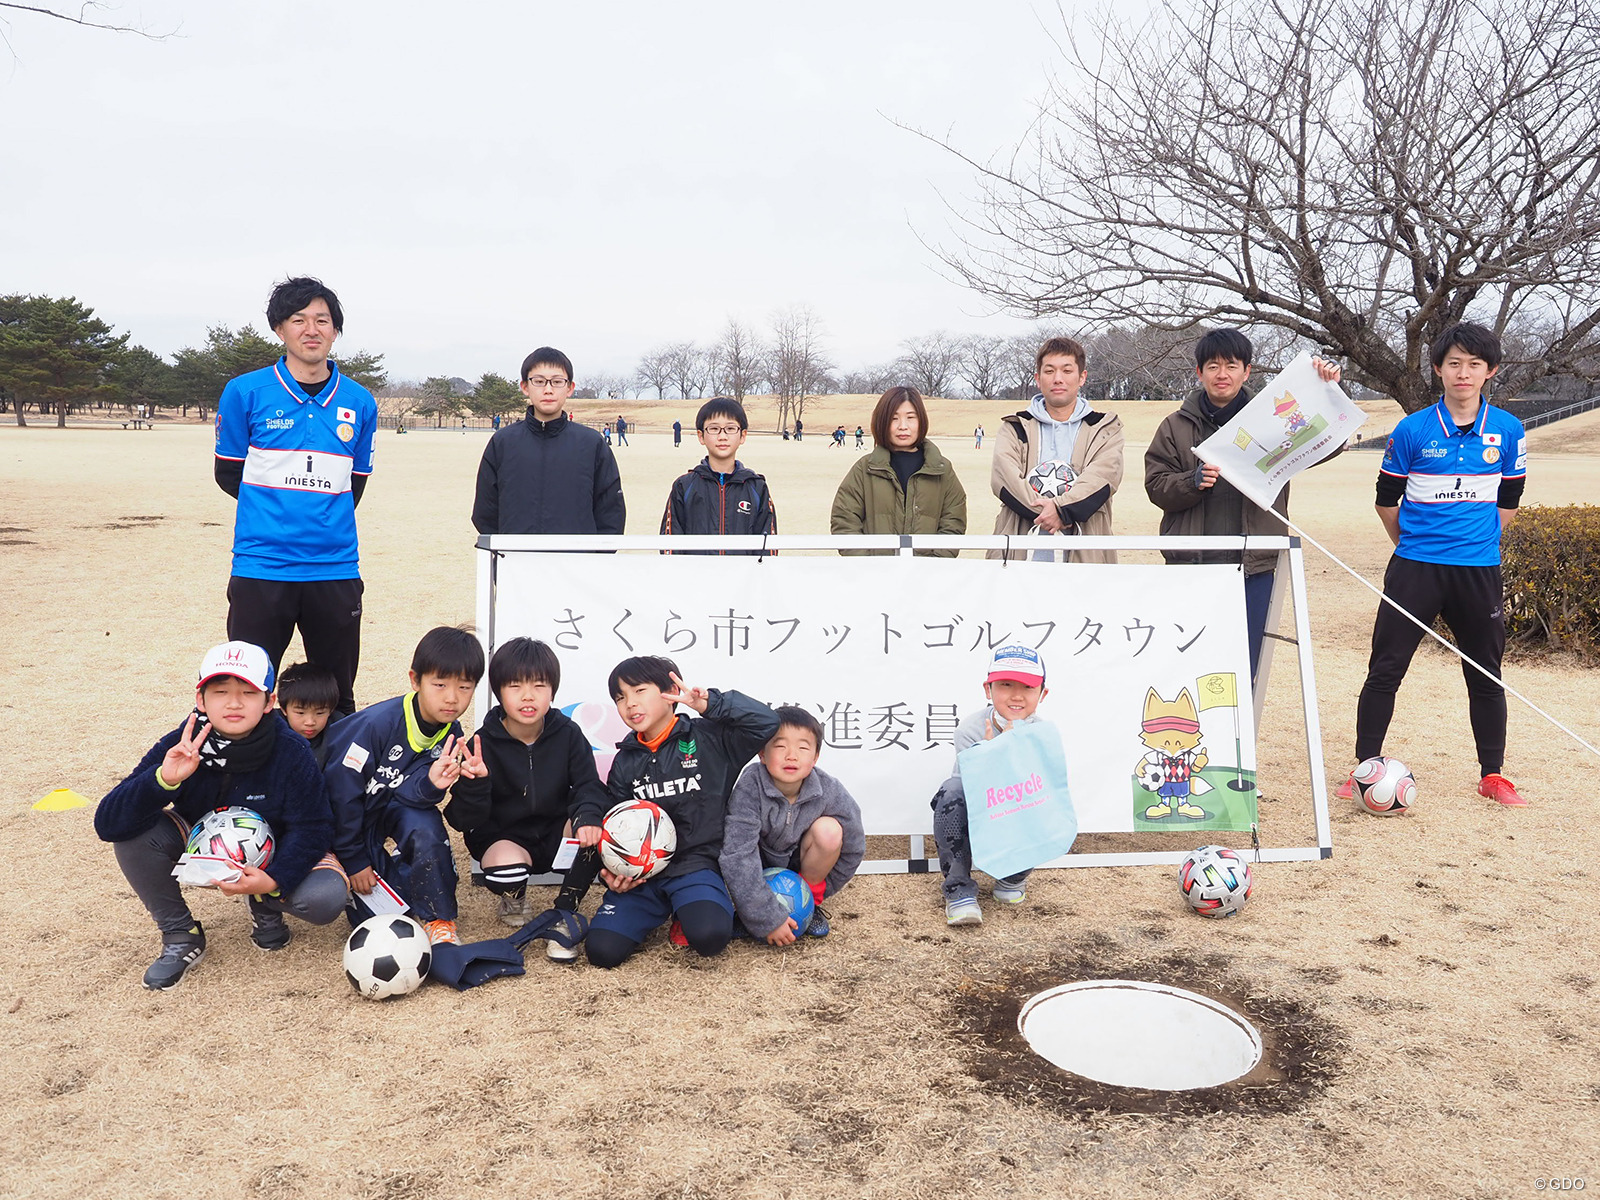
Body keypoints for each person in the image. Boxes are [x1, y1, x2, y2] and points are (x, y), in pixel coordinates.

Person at [1343, 322, 1530, 807]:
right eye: (1453, 363)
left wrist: (1478, 543)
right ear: (1437, 369)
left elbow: (1509, 499)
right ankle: (1364, 768)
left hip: (1478, 571)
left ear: (1490, 371)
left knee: (1486, 674)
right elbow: (1387, 500)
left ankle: (1493, 774)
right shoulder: (1413, 429)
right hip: (1415, 569)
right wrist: (1411, 545)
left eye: (1474, 364)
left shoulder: (1509, 429)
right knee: (1385, 669)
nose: (1463, 373)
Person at [94, 641, 347, 990]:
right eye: (220, 691)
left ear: (269, 702)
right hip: (201, 838)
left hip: (273, 850)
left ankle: (264, 904)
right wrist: (163, 780)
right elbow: (107, 823)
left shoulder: (291, 749)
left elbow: (314, 825)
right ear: (200, 699)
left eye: (248, 691)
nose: (233, 702)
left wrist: (273, 880)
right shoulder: (181, 742)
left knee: (324, 897)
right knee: (133, 835)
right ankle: (181, 934)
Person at [213, 276, 377, 717]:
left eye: (322, 320)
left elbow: (354, 482)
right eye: (298, 319)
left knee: (336, 697)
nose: (311, 329)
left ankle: (336, 785)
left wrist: (317, 517)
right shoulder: (245, 392)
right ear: (279, 329)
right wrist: (276, 514)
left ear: (335, 330)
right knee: (247, 692)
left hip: (334, 568)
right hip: (261, 565)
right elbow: (228, 473)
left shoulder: (360, 402)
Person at [1144, 329, 1342, 680]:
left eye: (1231, 366)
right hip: (1191, 563)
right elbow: (1156, 486)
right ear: (1199, 372)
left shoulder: (1272, 420)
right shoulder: (1174, 426)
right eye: (1213, 366)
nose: (1222, 374)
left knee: (1247, 660)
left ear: (1247, 371)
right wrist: (1192, 482)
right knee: (1188, 659)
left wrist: (1328, 388)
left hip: (1255, 565)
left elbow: (1326, 441)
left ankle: (1241, 734)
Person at [570, 656, 779, 968]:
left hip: (696, 866)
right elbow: (615, 826)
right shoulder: (625, 761)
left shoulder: (710, 738)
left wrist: (710, 704)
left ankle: (689, 908)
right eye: (620, 697)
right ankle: (659, 908)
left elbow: (766, 722)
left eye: (639, 691)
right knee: (602, 952)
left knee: (709, 938)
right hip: (645, 875)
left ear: (669, 691)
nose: (630, 704)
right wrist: (615, 875)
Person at [322, 626, 484, 946]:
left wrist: (431, 785)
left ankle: (440, 918)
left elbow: (408, 796)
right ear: (415, 680)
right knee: (387, 921)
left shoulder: (451, 731)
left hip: (386, 806)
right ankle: (364, 868)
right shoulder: (377, 725)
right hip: (345, 819)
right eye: (440, 684)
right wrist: (354, 860)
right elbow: (340, 795)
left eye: (464, 687)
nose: (452, 697)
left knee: (424, 824)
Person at [444, 638, 607, 956]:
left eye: (539, 685)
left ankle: (564, 911)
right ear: (499, 692)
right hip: (505, 838)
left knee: (596, 834)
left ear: (553, 691)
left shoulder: (568, 734)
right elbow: (461, 819)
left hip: (556, 832)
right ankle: (513, 898)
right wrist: (475, 784)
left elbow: (588, 785)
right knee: (507, 872)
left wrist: (587, 818)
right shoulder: (482, 743)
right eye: (515, 686)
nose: (528, 696)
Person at [720, 707, 865, 945]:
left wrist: (820, 890)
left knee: (829, 831)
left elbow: (854, 844)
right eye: (780, 746)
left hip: (800, 864)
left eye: (803, 747)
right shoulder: (751, 784)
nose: (791, 755)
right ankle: (748, 912)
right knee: (739, 855)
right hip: (759, 865)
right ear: (762, 754)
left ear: (815, 757)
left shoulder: (828, 789)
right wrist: (763, 916)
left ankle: (808, 905)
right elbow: (738, 853)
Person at [931, 645, 1052, 927]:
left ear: (1042, 694)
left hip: (1017, 816)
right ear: (988, 690)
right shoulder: (970, 729)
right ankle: (959, 890)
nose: (1017, 695)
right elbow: (973, 795)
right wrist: (988, 757)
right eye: (1006, 685)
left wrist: (1013, 752)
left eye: (1028, 686)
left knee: (1040, 799)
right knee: (951, 791)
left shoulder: (1043, 735)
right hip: (981, 814)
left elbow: (1037, 797)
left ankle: (1013, 877)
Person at [988, 336, 1125, 565]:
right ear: (1038, 379)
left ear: (1082, 377)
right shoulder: (1015, 426)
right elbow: (1003, 478)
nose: (1058, 378)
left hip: (1086, 556)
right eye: (1049, 371)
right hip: (1019, 555)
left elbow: (1104, 477)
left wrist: (1062, 511)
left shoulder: (1104, 429)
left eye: (1067, 370)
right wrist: (1049, 513)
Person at [471, 348, 626, 537]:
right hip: (515, 561)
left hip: (576, 562)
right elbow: (485, 512)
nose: (548, 389)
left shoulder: (592, 444)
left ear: (570, 388)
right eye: (539, 381)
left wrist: (592, 557)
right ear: (525, 387)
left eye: (557, 381)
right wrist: (507, 551)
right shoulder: (503, 442)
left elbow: (611, 513)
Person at [830, 385, 967, 558]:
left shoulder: (942, 470)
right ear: (882, 422)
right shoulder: (865, 469)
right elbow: (844, 520)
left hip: (927, 578)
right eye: (894, 419)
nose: (903, 426)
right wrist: (866, 566)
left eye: (911, 417)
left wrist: (933, 566)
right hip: (873, 577)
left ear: (921, 420)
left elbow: (953, 524)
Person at [660, 397, 778, 555]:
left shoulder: (756, 487)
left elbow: (767, 544)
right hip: (696, 577)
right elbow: (670, 541)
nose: (722, 436)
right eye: (714, 429)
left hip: (744, 578)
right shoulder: (685, 486)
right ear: (701, 436)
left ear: (742, 435)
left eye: (730, 429)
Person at [276, 660, 340, 767]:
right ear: (283, 709)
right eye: (300, 712)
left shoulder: (340, 732)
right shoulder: (271, 731)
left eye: (320, 713)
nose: (310, 722)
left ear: (331, 710)